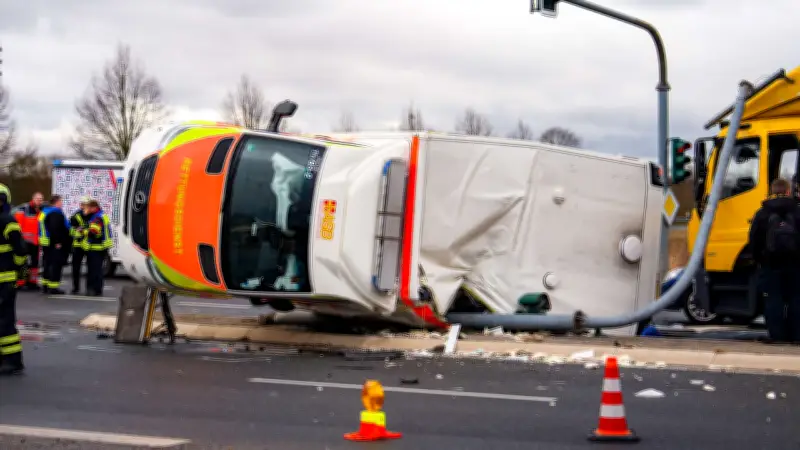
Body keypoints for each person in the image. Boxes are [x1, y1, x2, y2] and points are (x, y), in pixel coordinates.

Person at [748, 178, 800, 343]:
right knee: (796, 299)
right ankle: (797, 336)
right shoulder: (797, 211)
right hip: (796, 264)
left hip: (770, 263)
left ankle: (777, 336)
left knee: (773, 299)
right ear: (788, 191)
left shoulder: (762, 213)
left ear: (771, 191)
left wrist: (758, 259)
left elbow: (754, 240)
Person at [0, 183, 29, 375]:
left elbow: (20, 250)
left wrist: (18, 272)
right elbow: (19, 251)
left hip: (5, 280)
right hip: (6, 279)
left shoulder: (7, 221)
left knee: (5, 321)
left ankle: (13, 360)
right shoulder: (7, 220)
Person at [38, 195, 70, 295]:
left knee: (47, 264)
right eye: (60, 201)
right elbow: (55, 229)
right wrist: (58, 242)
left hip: (46, 242)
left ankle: (45, 286)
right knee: (55, 265)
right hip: (54, 243)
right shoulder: (55, 213)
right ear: (56, 202)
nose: (61, 203)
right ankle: (53, 287)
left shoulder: (45, 211)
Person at [13, 192, 43, 290]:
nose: (39, 201)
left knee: (34, 264)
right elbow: (18, 225)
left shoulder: (41, 211)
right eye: (38, 199)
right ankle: (20, 283)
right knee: (22, 263)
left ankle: (32, 282)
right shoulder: (24, 209)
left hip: (35, 242)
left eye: (41, 199)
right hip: (24, 241)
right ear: (33, 198)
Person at [83, 200, 113, 296]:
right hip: (101, 247)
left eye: (89, 207)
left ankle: (92, 290)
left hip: (95, 248)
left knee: (93, 270)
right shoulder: (101, 215)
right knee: (98, 270)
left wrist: (83, 231)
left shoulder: (97, 217)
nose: (87, 209)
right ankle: (98, 289)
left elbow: (94, 232)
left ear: (94, 207)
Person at [69, 197, 92, 295]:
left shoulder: (92, 215)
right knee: (75, 268)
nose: (85, 206)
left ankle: (89, 288)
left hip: (89, 245)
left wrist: (82, 229)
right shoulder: (75, 216)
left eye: (87, 204)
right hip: (78, 245)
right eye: (84, 204)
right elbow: (71, 231)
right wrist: (79, 231)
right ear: (81, 205)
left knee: (91, 268)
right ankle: (76, 287)